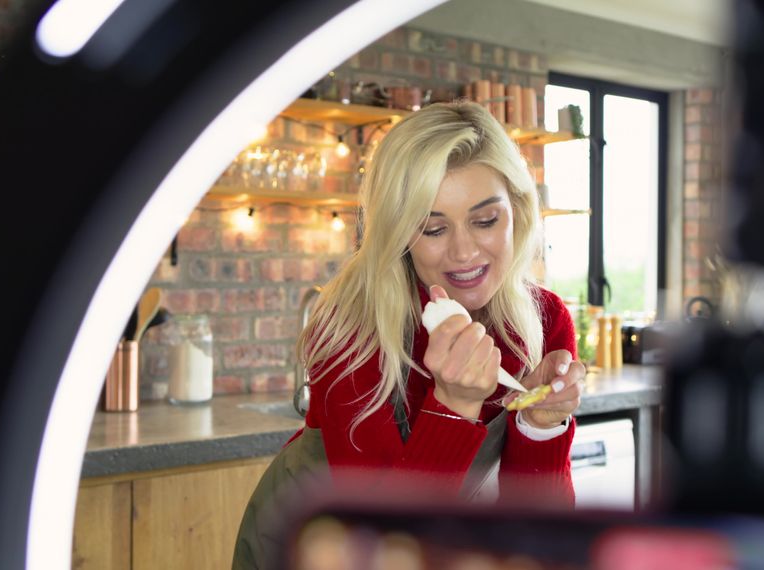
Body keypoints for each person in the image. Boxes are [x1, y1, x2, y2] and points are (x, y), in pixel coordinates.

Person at [233, 100, 585, 569]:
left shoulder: (542, 320)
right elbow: (382, 546)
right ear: (399, 231)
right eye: (432, 228)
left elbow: (535, 535)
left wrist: (541, 428)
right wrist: (454, 406)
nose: (464, 252)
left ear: (517, 213)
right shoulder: (348, 329)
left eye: (485, 220)